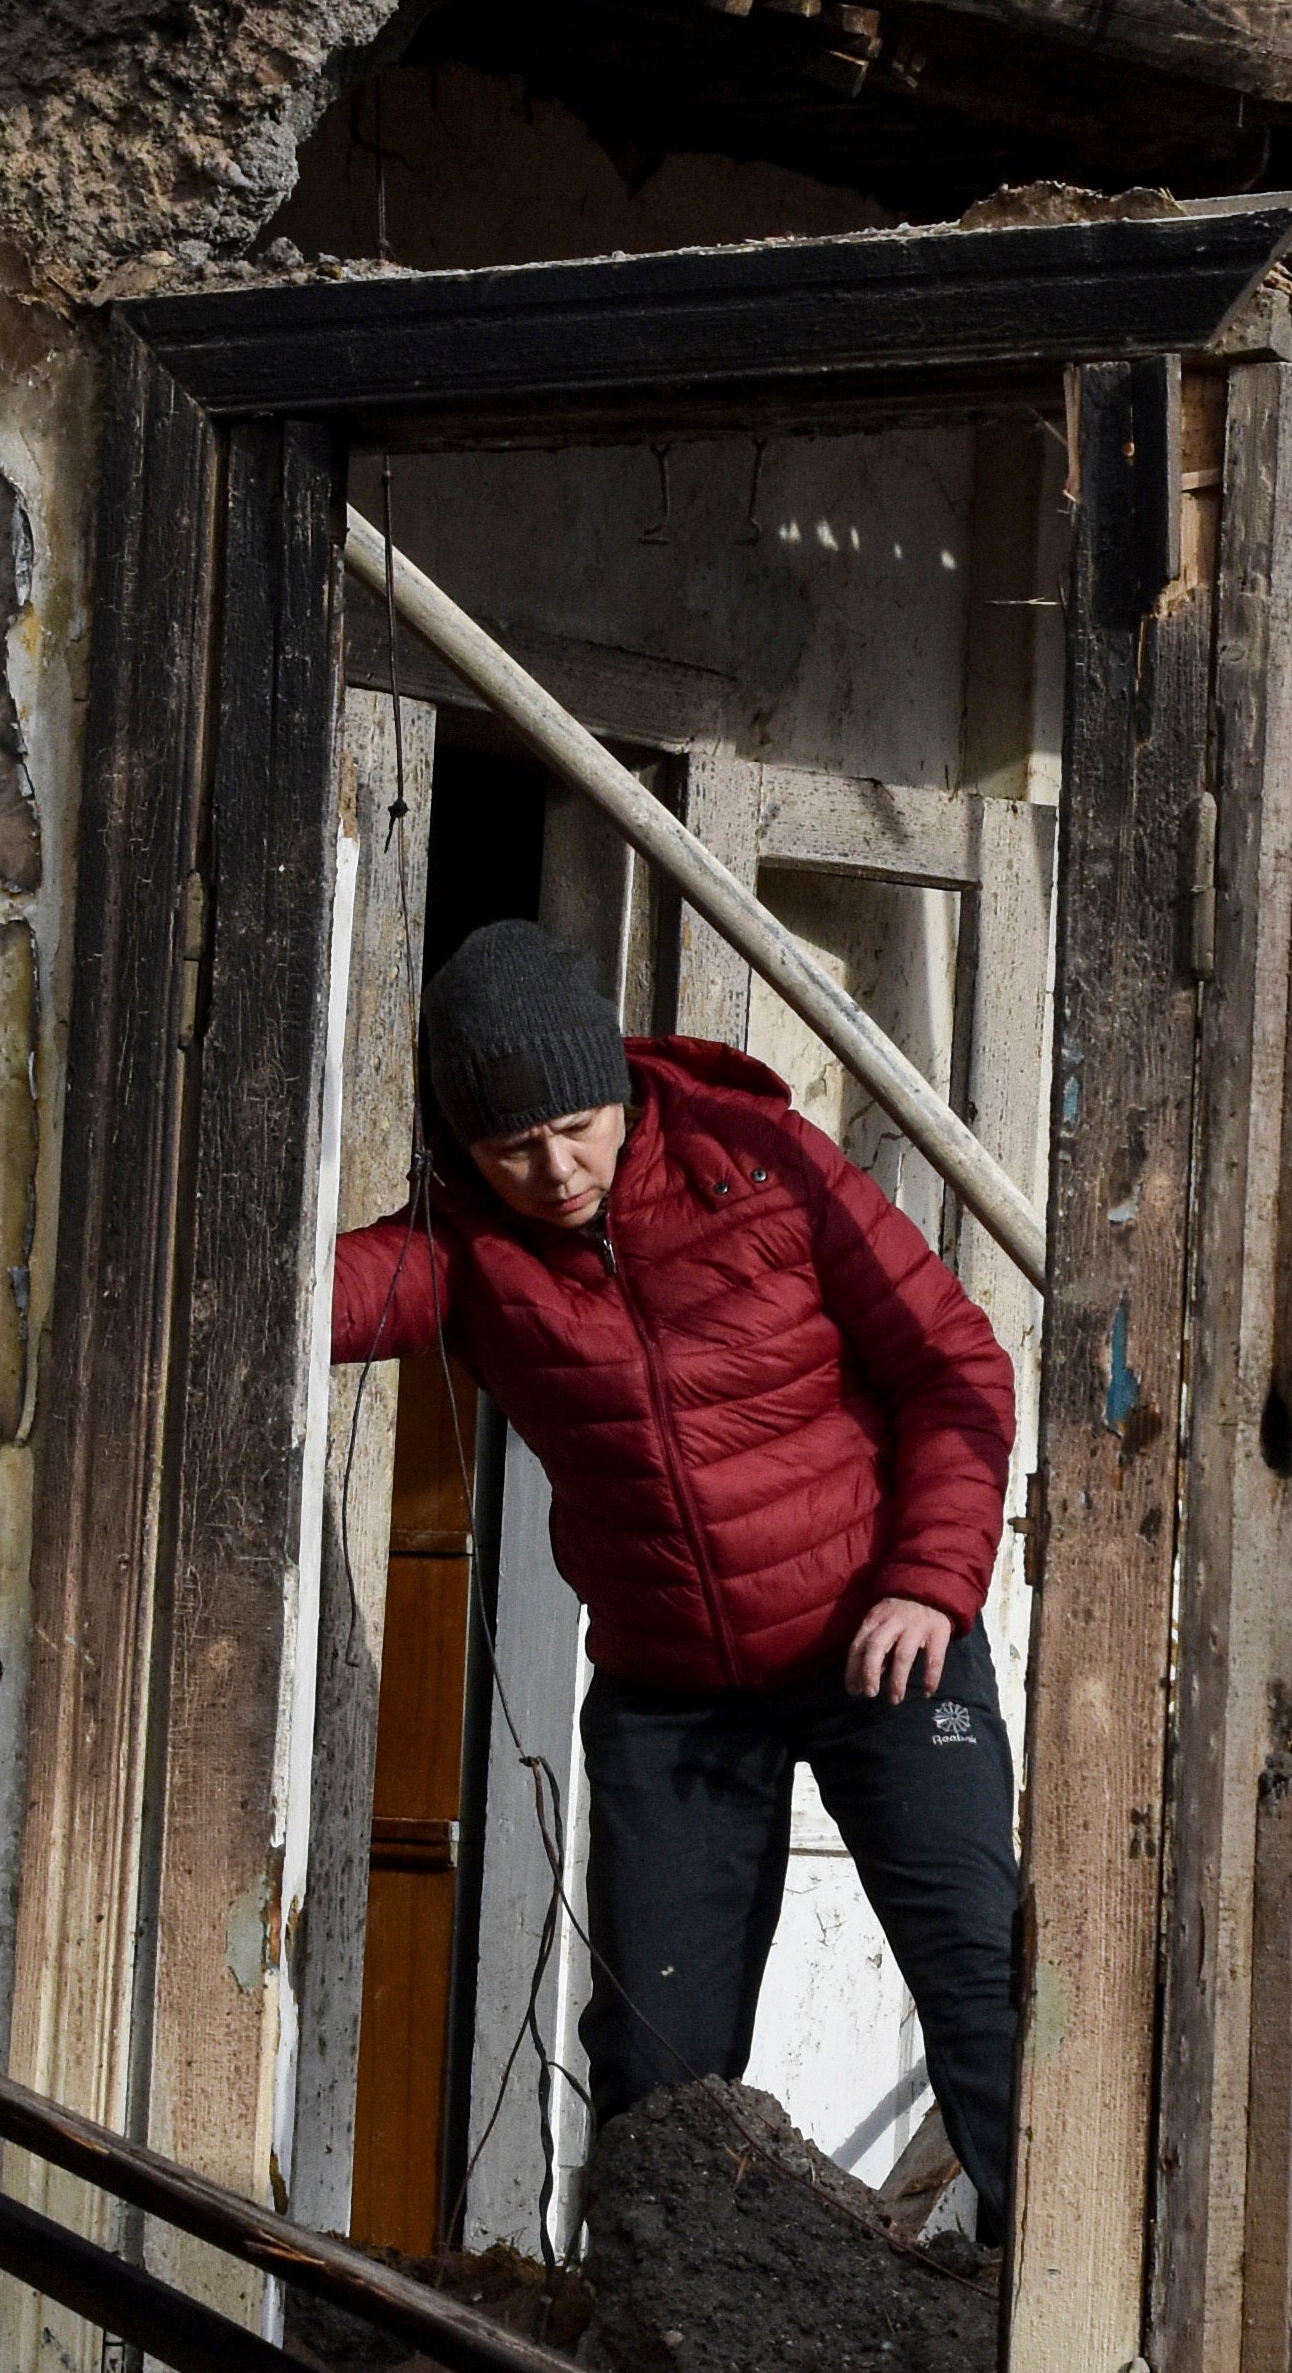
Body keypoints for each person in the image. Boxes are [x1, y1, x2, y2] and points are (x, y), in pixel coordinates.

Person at [332, 917, 1033, 2212]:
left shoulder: (764, 1162)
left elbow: (956, 1367)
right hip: (674, 1692)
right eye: (511, 1148)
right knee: (658, 2057)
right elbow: (308, 1294)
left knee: (982, 1985)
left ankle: (1032, 2316)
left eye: (577, 1126)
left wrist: (931, 1579)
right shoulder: (473, 1246)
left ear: (620, 1085)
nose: (554, 1170)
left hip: (884, 1636)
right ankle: (645, 2356)